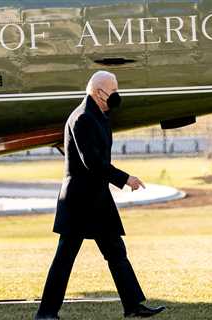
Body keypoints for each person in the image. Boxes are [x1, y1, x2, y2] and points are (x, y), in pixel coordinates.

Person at [35, 71, 165, 319]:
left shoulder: (99, 116)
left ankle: (133, 306)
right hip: (79, 202)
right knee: (65, 258)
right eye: (112, 91)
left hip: (97, 200)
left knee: (116, 252)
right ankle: (46, 313)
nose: (116, 96)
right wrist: (125, 178)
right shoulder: (83, 118)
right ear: (97, 92)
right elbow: (92, 162)